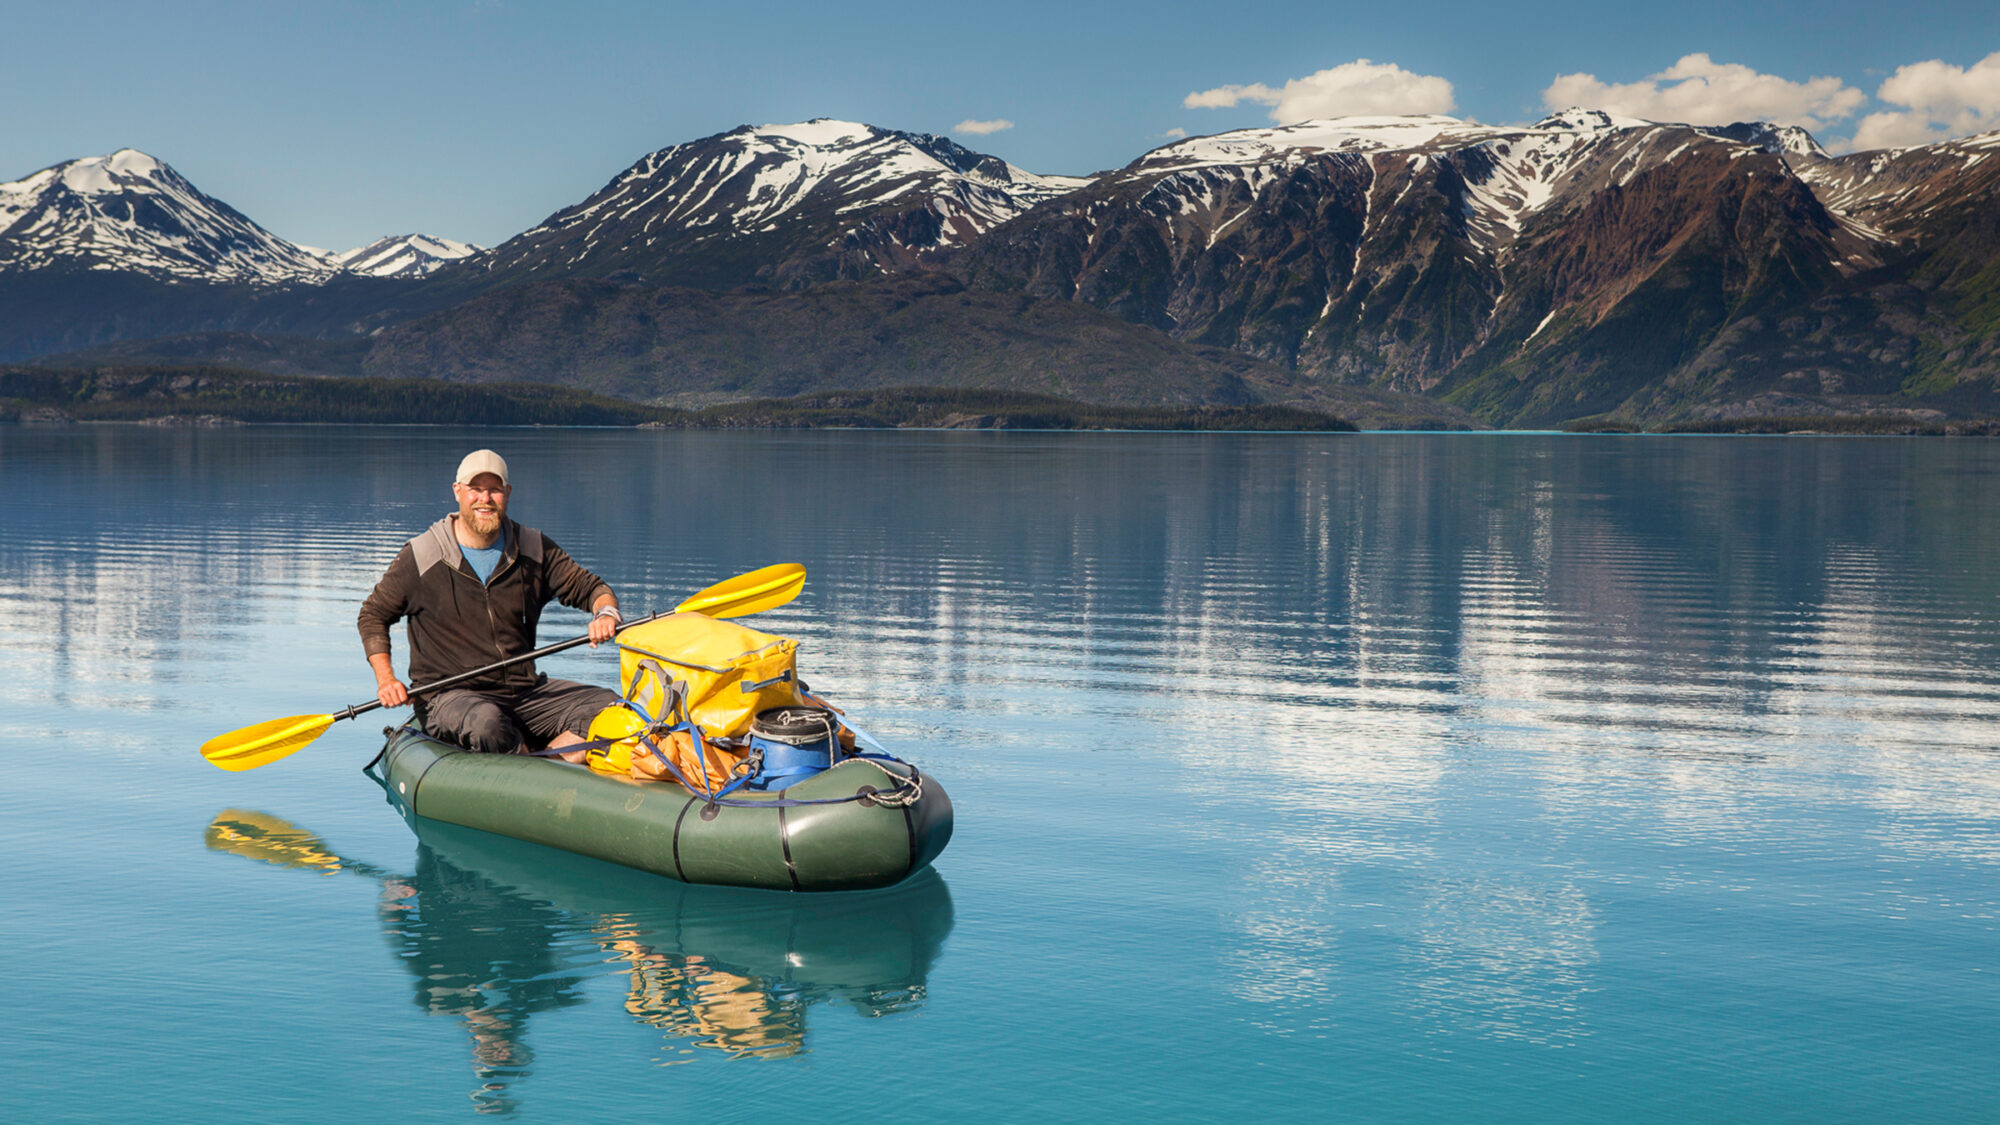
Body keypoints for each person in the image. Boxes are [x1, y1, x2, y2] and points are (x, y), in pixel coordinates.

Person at [358, 449, 621, 763]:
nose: (485, 499)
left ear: (507, 493)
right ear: (458, 491)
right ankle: (536, 769)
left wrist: (605, 613)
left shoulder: (533, 547)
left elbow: (592, 588)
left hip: (524, 692)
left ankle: (547, 766)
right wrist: (386, 679)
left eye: (494, 489)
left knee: (611, 707)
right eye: (475, 489)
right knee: (488, 723)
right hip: (447, 697)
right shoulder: (422, 555)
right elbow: (373, 615)